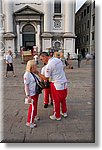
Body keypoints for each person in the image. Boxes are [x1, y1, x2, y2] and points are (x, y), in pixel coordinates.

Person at [36, 52, 68, 121]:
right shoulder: (57, 60)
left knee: (56, 100)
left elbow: (46, 78)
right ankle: (64, 112)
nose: (42, 61)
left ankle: (57, 115)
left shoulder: (49, 65)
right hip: (64, 81)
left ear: (45, 57)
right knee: (63, 99)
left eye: (41, 59)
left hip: (56, 83)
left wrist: (37, 73)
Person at [24, 60, 40, 128]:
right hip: (31, 93)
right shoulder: (27, 74)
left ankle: (35, 115)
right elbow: (26, 86)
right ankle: (29, 122)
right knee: (32, 108)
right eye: (35, 66)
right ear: (31, 67)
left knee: (35, 105)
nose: (36, 67)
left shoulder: (33, 73)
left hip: (35, 92)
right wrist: (28, 95)